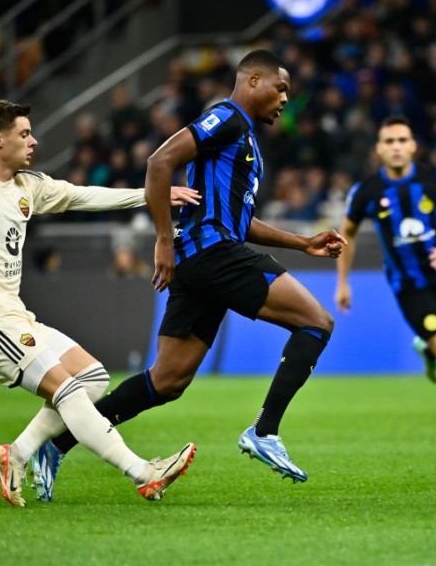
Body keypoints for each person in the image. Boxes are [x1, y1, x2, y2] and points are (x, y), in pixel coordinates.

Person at [31, 50, 346, 500]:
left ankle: (55, 446)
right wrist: (162, 238)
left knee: (167, 381)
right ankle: (265, 430)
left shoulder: (246, 139)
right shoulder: (227, 117)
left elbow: (240, 219)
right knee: (316, 322)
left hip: (204, 259)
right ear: (253, 80)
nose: (284, 101)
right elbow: (160, 162)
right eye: (281, 89)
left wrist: (303, 243)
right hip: (213, 253)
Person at [0, 100, 199, 506]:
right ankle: (143, 473)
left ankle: (18, 454)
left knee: (92, 377)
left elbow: (84, 196)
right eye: (24, 134)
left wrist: (152, 194)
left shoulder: (28, 185)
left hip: (14, 313)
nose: (33, 140)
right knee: (66, 390)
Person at [334, 116, 436, 438]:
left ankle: (428, 350)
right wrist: (343, 282)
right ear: (378, 149)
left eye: (402, 140)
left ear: (413, 146)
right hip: (409, 287)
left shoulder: (433, 179)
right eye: (389, 141)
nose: (396, 147)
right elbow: (347, 234)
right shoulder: (366, 191)